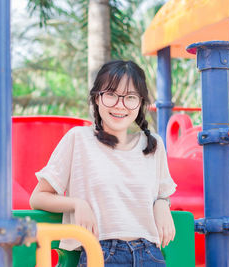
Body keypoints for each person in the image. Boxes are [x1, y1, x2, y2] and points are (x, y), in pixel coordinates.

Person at [30, 60, 177, 267]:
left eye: (130, 97)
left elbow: (162, 194)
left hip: (150, 254)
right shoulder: (78, 139)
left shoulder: (154, 145)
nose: (120, 105)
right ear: (97, 98)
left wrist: (162, 204)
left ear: (140, 103)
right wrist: (77, 204)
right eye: (111, 95)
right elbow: (38, 197)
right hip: (99, 253)